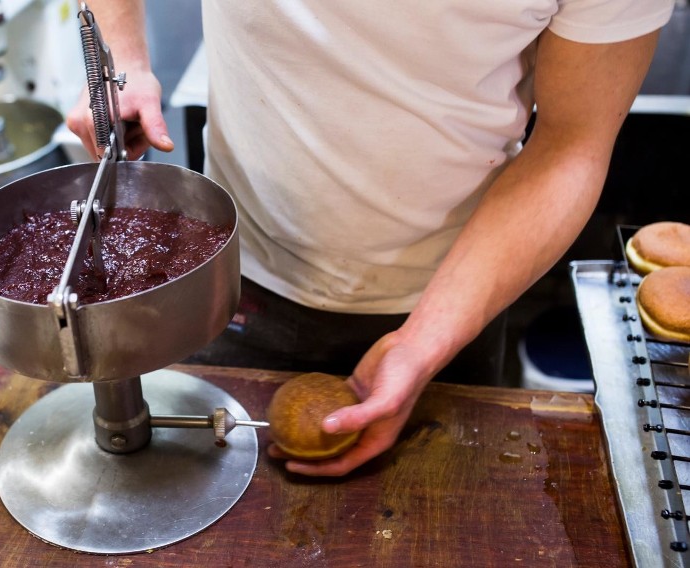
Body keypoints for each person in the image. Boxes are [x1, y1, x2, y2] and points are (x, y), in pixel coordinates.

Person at [67, 1, 673, 477]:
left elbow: (572, 145)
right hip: (233, 275)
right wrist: (118, 57)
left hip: (452, 298)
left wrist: (425, 341)